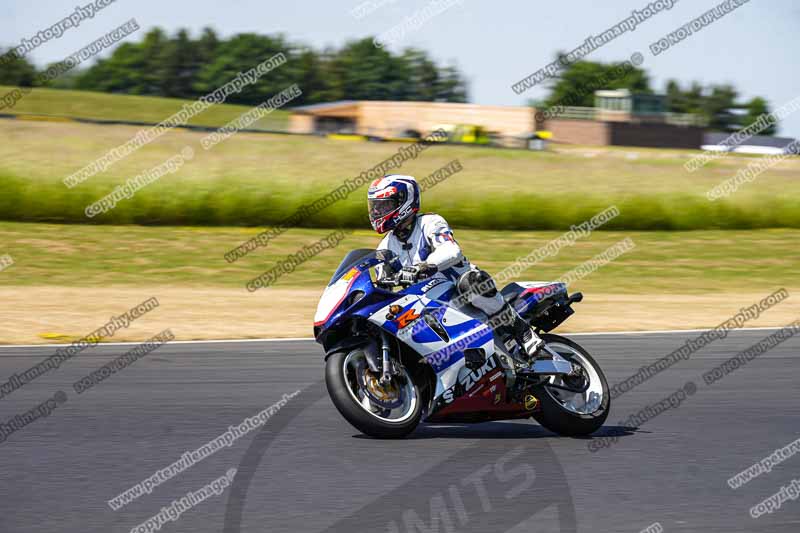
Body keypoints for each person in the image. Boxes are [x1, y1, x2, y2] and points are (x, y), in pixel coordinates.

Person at [368, 174, 543, 359]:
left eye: (384, 205)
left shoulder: (429, 223)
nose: (377, 211)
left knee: (471, 283)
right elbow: (383, 285)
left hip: (458, 289)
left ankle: (522, 331)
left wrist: (423, 266)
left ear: (404, 201)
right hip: (428, 302)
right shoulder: (385, 247)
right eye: (375, 206)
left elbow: (451, 249)